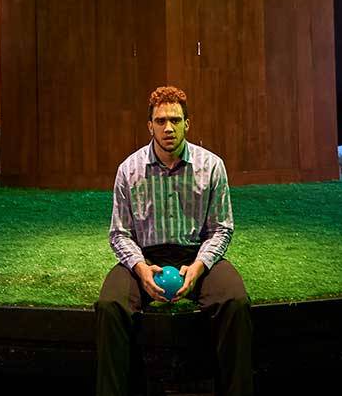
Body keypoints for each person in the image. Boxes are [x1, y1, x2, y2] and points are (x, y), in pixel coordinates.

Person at [96, 86, 253, 396]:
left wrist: (198, 267)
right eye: (160, 120)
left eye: (176, 120)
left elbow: (221, 228)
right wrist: (140, 268)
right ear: (149, 125)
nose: (168, 128)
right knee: (109, 306)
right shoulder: (128, 170)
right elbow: (120, 233)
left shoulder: (212, 166)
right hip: (145, 257)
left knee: (235, 302)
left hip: (196, 254)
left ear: (187, 124)